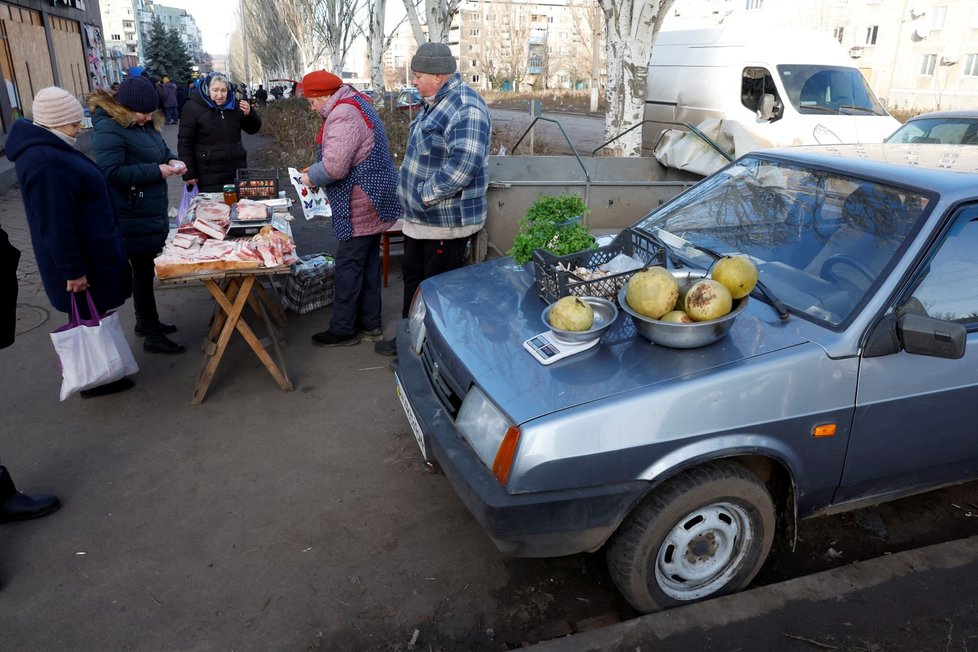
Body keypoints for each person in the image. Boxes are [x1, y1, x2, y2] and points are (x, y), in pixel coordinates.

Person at [5, 86, 135, 397]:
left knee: (93, 314)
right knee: (86, 318)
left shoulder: (52, 146)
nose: (80, 128)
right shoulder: (45, 159)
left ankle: (105, 372)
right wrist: (72, 270)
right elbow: (55, 223)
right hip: (82, 257)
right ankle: (94, 379)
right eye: (74, 123)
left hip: (90, 249)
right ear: (55, 122)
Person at [374, 42, 491, 356]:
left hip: (445, 222)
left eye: (418, 75)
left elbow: (463, 166)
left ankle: (434, 354)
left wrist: (423, 195)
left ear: (439, 76)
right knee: (414, 282)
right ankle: (408, 339)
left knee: (439, 291)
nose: (413, 81)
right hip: (421, 221)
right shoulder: (435, 101)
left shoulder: (465, 106)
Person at [298, 70, 401, 347]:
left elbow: (335, 167)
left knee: (348, 266)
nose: (312, 108)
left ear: (324, 96)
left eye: (312, 102)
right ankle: (370, 324)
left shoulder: (343, 114)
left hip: (362, 200)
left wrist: (310, 177)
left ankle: (343, 329)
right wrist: (317, 169)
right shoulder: (355, 101)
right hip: (373, 196)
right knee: (366, 264)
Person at [88, 76, 187, 355]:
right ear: (126, 107)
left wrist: (171, 160)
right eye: (142, 112)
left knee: (144, 271)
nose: (147, 117)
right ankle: (151, 332)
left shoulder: (144, 124)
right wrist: (157, 171)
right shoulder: (109, 128)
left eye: (150, 112)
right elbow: (111, 173)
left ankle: (147, 323)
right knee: (142, 271)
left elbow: (160, 149)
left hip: (147, 210)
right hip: (130, 213)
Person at [178, 72, 262, 192]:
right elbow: (185, 143)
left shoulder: (235, 106)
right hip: (208, 174)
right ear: (207, 90)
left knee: (239, 208)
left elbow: (253, 129)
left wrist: (250, 114)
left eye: (223, 90)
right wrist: (189, 173)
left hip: (237, 171)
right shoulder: (192, 108)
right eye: (215, 90)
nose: (219, 95)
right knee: (214, 208)